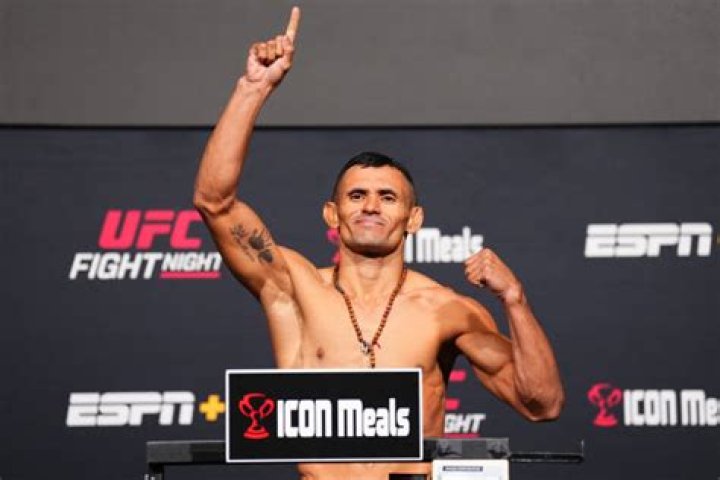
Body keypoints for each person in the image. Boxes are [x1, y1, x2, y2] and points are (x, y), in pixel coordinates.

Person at [193, 7, 564, 479]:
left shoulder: (447, 311)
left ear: (414, 219)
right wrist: (253, 88)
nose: (370, 206)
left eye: (388, 197)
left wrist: (515, 299)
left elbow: (542, 404)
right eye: (356, 196)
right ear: (332, 214)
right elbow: (215, 202)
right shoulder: (293, 288)